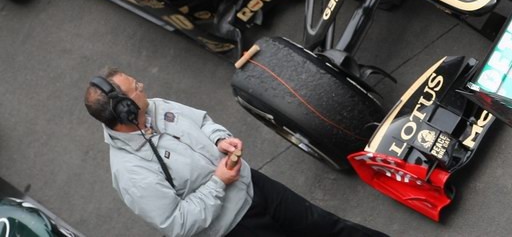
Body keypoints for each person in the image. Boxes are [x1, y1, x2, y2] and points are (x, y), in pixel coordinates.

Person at [85, 69, 389, 237]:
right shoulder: (130, 174)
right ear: (125, 110)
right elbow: (176, 224)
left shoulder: (156, 107)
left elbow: (202, 121)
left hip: (254, 186)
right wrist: (218, 183)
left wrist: (220, 140)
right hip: (234, 228)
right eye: (135, 87)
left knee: (328, 227)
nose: (142, 85)